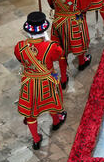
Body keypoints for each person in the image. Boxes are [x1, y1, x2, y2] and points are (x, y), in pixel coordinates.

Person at [15, 11, 67, 150]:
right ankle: (56, 121)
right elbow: (59, 55)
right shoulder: (51, 47)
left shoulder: (20, 46)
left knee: (31, 114)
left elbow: (20, 59)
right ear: (44, 29)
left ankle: (36, 140)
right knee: (52, 103)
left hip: (29, 82)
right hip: (47, 80)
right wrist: (48, 41)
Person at [46, 0, 93, 75]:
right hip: (75, 22)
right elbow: (85, 6)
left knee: (60, 48)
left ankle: (63, 78)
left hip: (58, 22)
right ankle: (82, 62)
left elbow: (51, 4)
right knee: (80, 42)